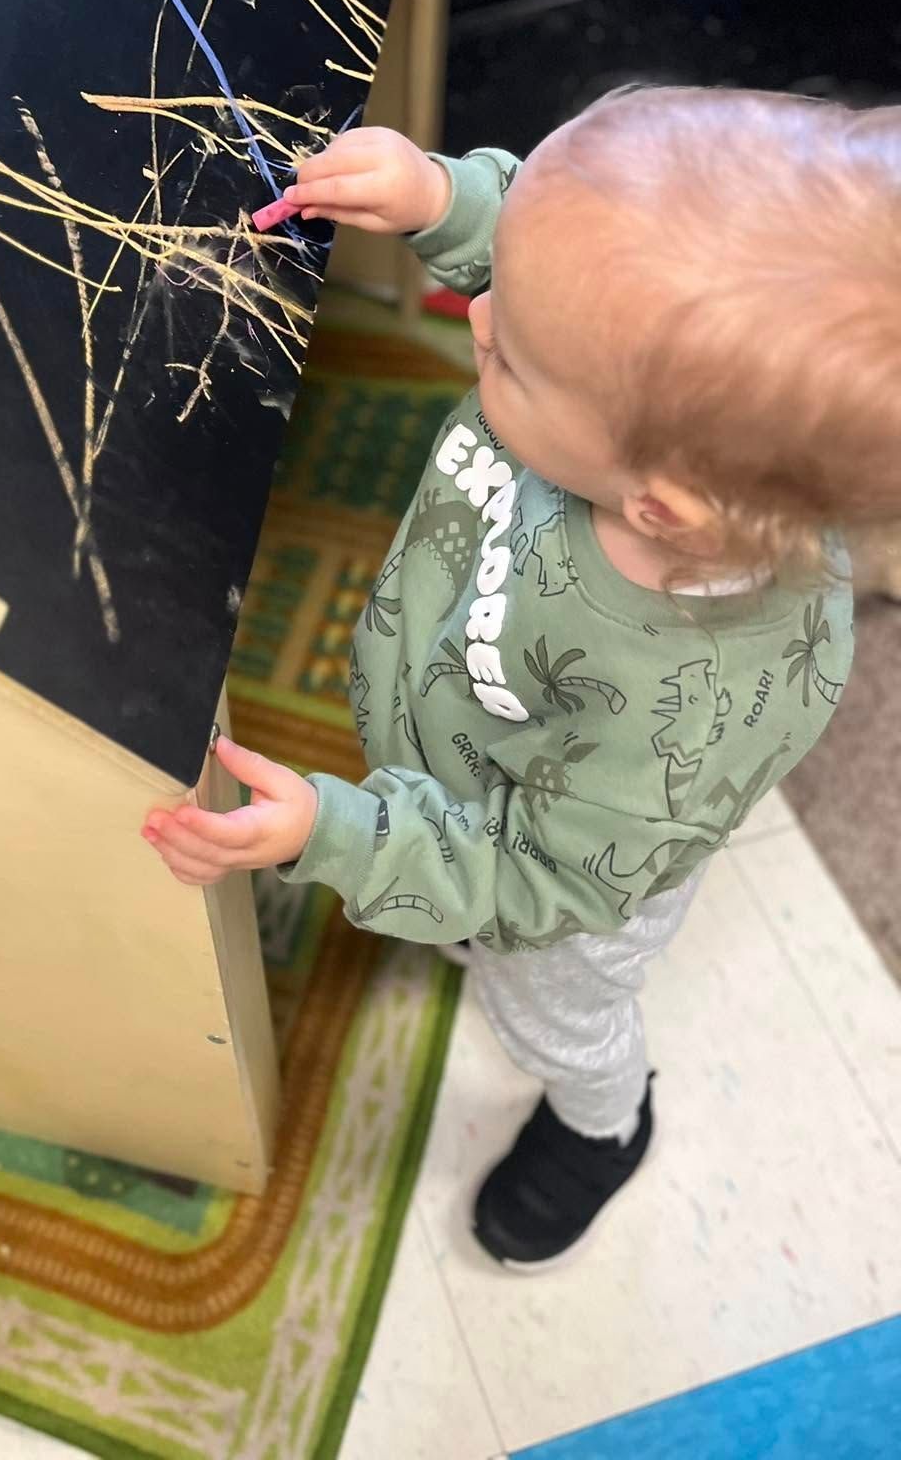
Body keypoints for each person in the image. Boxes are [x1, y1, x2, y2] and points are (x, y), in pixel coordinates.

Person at [143, 86, 901, 1268]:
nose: (480, 313)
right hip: (466, 738)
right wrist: (442, 195)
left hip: (561, 887)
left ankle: (607, 1124)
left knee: (546, 1011)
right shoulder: (625, 397)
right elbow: (562, 261)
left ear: (662, 505)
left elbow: (529, 872)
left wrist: (334, 835)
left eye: (517, 351)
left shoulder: (681, 709)